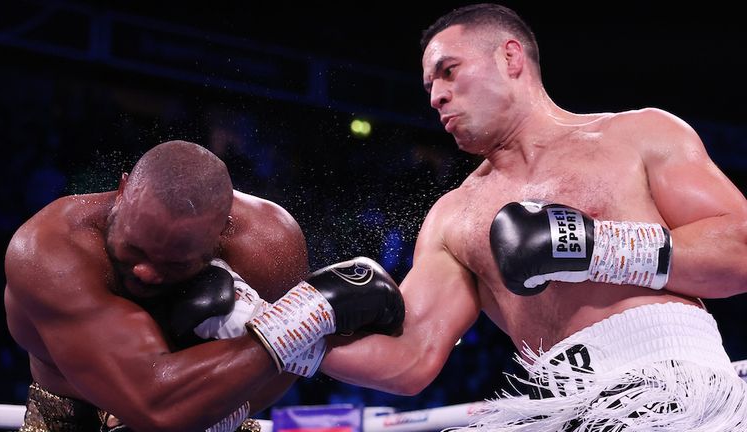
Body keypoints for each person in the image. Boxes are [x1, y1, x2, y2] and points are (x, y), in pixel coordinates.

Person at [320, 4, 747, 430]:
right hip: (565, 409)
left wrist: (596, 246)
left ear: (510, 57)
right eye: (430, 86)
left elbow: (740, 248)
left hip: (681, 387)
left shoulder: (638, 136)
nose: (436, 97)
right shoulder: (454, 216)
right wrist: (288, 333)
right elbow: (410, 357)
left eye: (448, 71)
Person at [4, 140, 405, 432]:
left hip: (216, 413)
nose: (144, 272)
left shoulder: (266, 244)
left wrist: (216, 417)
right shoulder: (51, 247)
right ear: (124, 190)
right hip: (71, 418)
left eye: (173, 263)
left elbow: (280, 373)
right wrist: (307, 313)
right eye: (133, 249)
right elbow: (152, 403)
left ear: (220, 234)